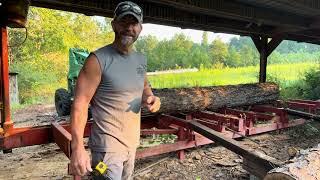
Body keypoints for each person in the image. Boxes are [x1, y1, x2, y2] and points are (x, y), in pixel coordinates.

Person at [69, 1, 161, 179]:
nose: (128, 28)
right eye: (123, 22)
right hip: (107, 150)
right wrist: (77, 148)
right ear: (114, 24)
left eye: (133, 23)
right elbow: (80, 105)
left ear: (140, 28)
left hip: (131, 145)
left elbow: (144, 87)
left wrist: (152, 98)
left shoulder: (140, 60)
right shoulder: (97, 60)